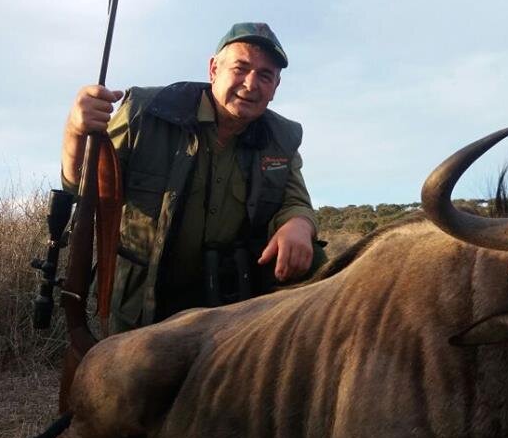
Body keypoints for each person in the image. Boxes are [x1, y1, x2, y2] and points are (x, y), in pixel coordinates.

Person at [61, 22, 325, 333]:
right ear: (214, 69)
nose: (251, 84)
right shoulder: (145, 113)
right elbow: (81, 186)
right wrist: (77, 131)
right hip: (145, 302)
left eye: (265, 75)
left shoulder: (280, 138)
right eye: (240, 68)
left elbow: (295, 201)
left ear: (276, 87)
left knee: (317, 260)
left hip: (229, 302)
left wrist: (299, 224)